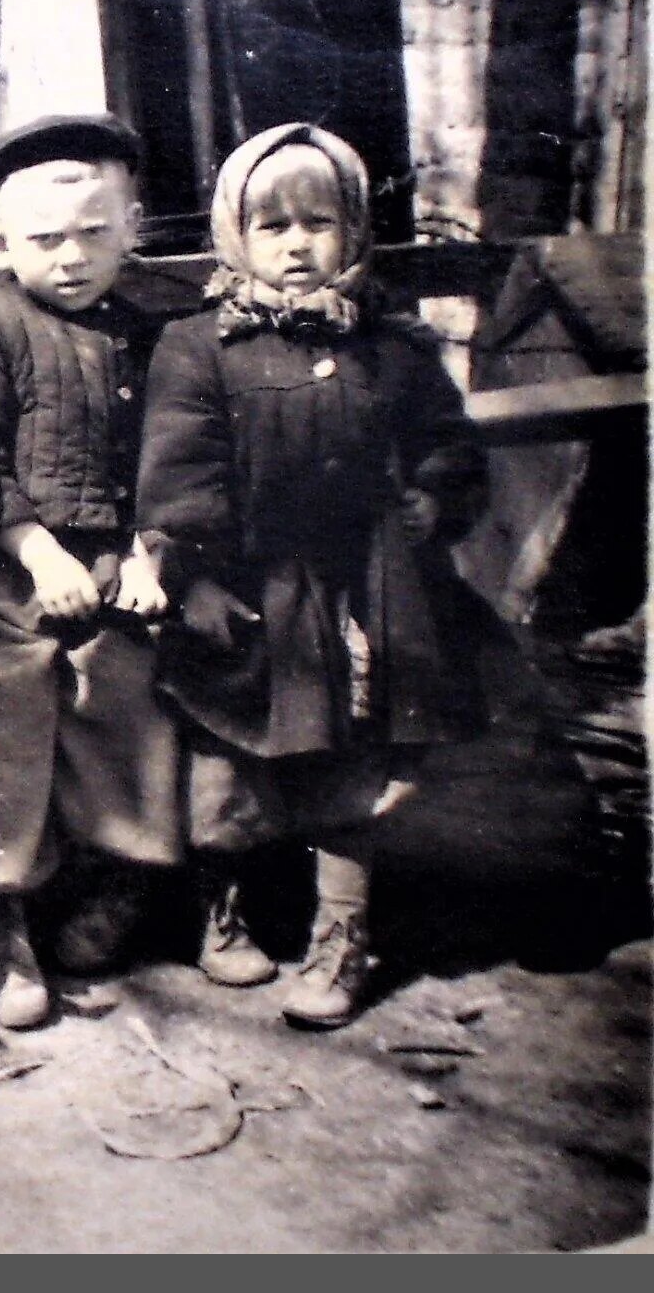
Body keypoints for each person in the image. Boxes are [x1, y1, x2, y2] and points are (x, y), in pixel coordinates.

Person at [137, 122, 489, 1028]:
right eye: (273, 226)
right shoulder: (199, 345)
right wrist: (195, 579)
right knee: (227, 761)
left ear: (355, 230)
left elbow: (448, 442)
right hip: (245, 590)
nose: (297, 245)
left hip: (361, 591)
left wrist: (433, 497)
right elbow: (180, 474)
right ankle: (221, 908)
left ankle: (342, 934)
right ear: (235, 235)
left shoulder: (394, 346)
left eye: (319, 222)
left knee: (350, 768)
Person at [0, 115, 179, 1029]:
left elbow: (171, 456)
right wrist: (36, 549)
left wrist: (151, 552)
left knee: (128, 669)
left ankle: (120, 874)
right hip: (3, 556)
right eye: (44, 239)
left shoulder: (150, 334)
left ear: (132, 228)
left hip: (116, 552)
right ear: (0, 242)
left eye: (93, 233)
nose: (72, 258)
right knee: (1, 684)